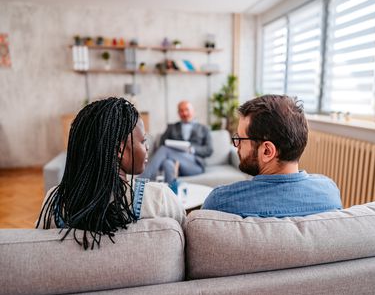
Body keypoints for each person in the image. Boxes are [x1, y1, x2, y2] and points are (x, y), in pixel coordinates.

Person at [36, 97, 185, 250]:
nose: (146, 148)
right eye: (143, 141)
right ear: (119, 150)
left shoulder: (55, 202)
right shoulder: (158, 199)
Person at [202, 94, 342, 217]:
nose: (236, 145)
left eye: (240, 139)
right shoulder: (329, 192)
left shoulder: (220, 202)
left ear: (267, 151)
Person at [140, 100, 213, 184]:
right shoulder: (172, 127)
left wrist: (192, 149)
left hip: (194, 165)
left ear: (193, 111)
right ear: (178, 113)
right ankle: (172, 193)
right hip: (175, 164)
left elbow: (209, 150)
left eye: (187, 110)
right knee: (167, 163)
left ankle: (142, 180)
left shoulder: (203, 128)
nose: (184, 113)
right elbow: (162, 144)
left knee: (164, 150)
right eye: (181, 111)